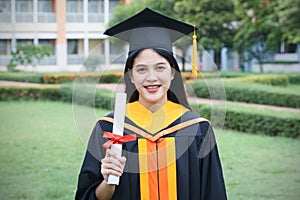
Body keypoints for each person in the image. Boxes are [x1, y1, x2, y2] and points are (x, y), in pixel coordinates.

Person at [75, 8, 227, 200]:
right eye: (141, 69)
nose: (151, 77)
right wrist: (108, 182)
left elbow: (213, 193)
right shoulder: (108, 128)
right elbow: (87, 196)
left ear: (173, 73)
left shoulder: (198, 129)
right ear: (131, 76)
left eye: (160, 67)